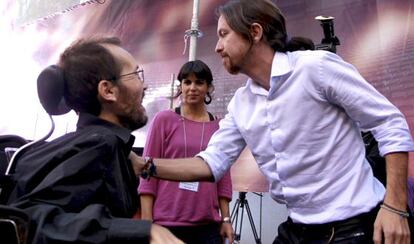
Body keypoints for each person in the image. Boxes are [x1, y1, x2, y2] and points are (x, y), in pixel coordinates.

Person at [131, 0, 414, 243]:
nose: (217, 47)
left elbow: (389, 123)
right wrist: (145, 165)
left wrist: (395, 208)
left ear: (254, 32)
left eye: (223, 34)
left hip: (354, 228)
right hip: (298, 229)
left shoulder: (315, 68)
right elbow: (210, 163)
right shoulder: (241, 103)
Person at [7, 37, 183, 244]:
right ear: (108, 91)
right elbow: (26, 219)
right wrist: (142, 232)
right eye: (136, 74)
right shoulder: (99, 145)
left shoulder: (100, 144)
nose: (143, 85)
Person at [138, 60, 234, 244]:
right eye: (187, 82)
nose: (192, 87)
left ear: (209, 88)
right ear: (180, 86)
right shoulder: (164, 119)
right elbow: (146, 172)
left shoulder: (219, 126)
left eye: (199, 82)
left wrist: (226, 219)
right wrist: (146, 224)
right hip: (166, 224)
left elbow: (223, 178)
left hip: (208, 225)